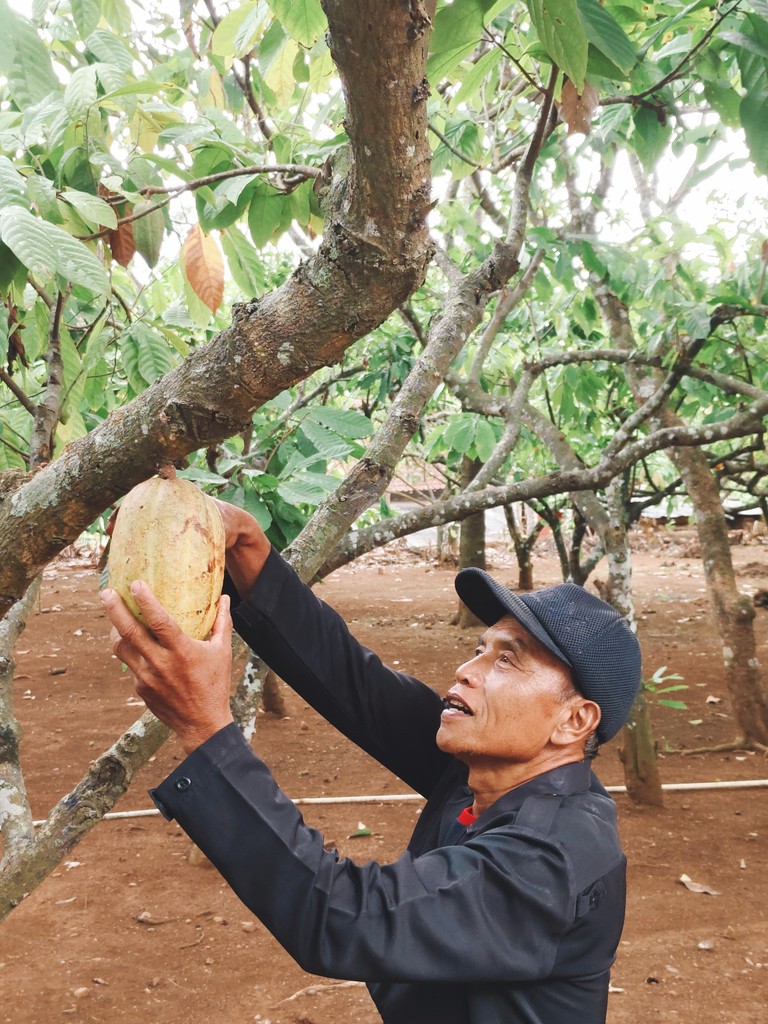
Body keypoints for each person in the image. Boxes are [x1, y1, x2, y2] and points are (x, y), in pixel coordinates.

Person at [101, 502, 642, 1024]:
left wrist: (206, 729)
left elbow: (343, 916)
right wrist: (252, 561)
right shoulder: (491, 771)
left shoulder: (554, 859)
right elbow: (357, 685)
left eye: (507, 658)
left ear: (573, 722)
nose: (466, 669)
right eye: (479, 647)